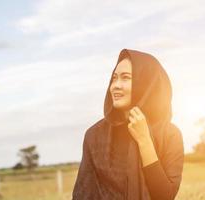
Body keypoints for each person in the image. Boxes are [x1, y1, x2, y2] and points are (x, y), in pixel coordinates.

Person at [72, 49, 184, 200]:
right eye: (114, 78)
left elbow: (164, 196)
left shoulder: (169, 134)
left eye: (126, 78)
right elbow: (83, 194)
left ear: (146, 83)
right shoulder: (95, 135)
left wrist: (144, 140)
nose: (116, 85)